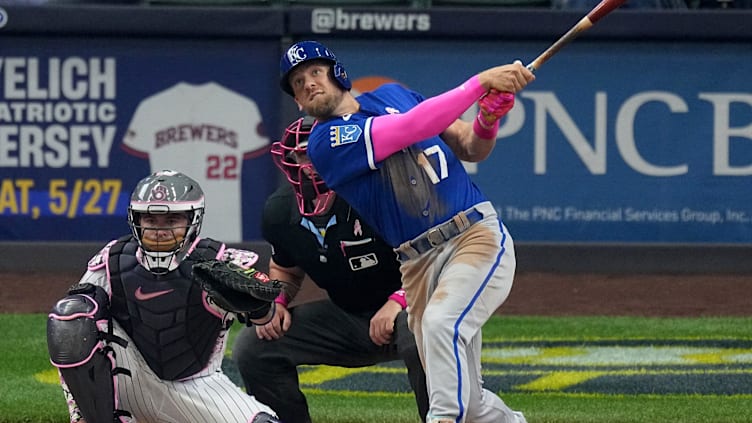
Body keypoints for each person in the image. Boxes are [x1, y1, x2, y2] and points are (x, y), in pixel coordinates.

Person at [278, 40, 535, 423]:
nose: (309, 84)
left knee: (440, 324)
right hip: (416, 263)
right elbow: (412, 126)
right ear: (298, 102)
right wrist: (479, 83)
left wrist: (487, 120)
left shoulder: (396, 94)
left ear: (338, 73)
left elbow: (470, 146)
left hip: (472, 234)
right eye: (298, 83)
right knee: (471, 400)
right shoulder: (324, 142)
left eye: (315, 72)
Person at [232, 116, 429, 423]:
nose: (308, 162)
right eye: (300, 154)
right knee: (253, 346)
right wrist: (277, 301)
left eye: (315, 151)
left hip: (413, 306)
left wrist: (398, 301)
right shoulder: (279, 210)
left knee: (421, 332)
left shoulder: (381, 192)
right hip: (347, 318)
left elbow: (430, 257)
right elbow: (286, 269)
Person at [46, 169, 281, 423]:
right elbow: (70, 331)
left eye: (171, 221)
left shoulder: (218, 262)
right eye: (151, 220)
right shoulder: (113, 258)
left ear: (193, 220)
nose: (160, 230)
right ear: (136, 220)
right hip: (128, 378)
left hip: (197, 386)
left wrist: (257, 308)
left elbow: (266, 320)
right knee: (72, 315)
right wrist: (79, 410)